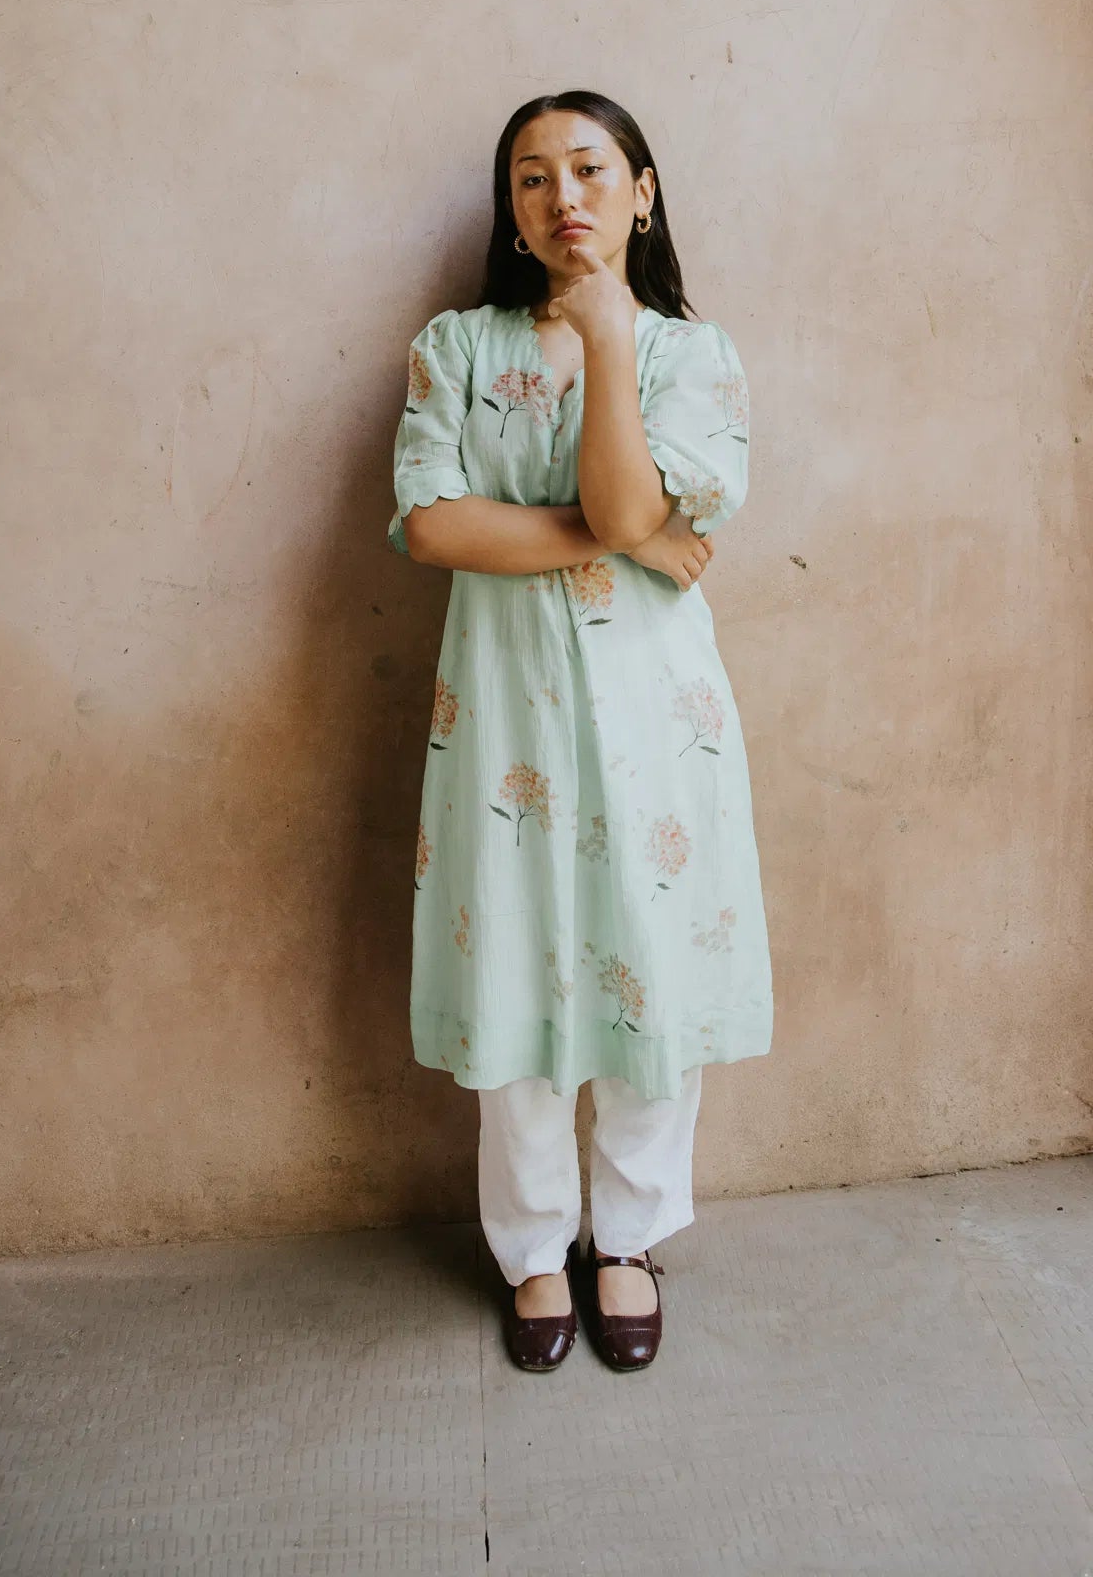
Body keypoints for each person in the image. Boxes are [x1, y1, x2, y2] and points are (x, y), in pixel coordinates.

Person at [387, 89, 774, 1371]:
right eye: (535, 177)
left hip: (656, 725)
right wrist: (634, 539)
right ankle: (536, 1250)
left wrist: (610, 333)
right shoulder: (456, 345)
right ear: (512, 207)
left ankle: (629, 1239)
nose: (566, 197)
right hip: (500, 721)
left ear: (643, 189)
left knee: (647, 972)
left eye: (593, 169)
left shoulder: (690, 356)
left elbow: (614, 494)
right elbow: (434, 523)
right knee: (518, 978)